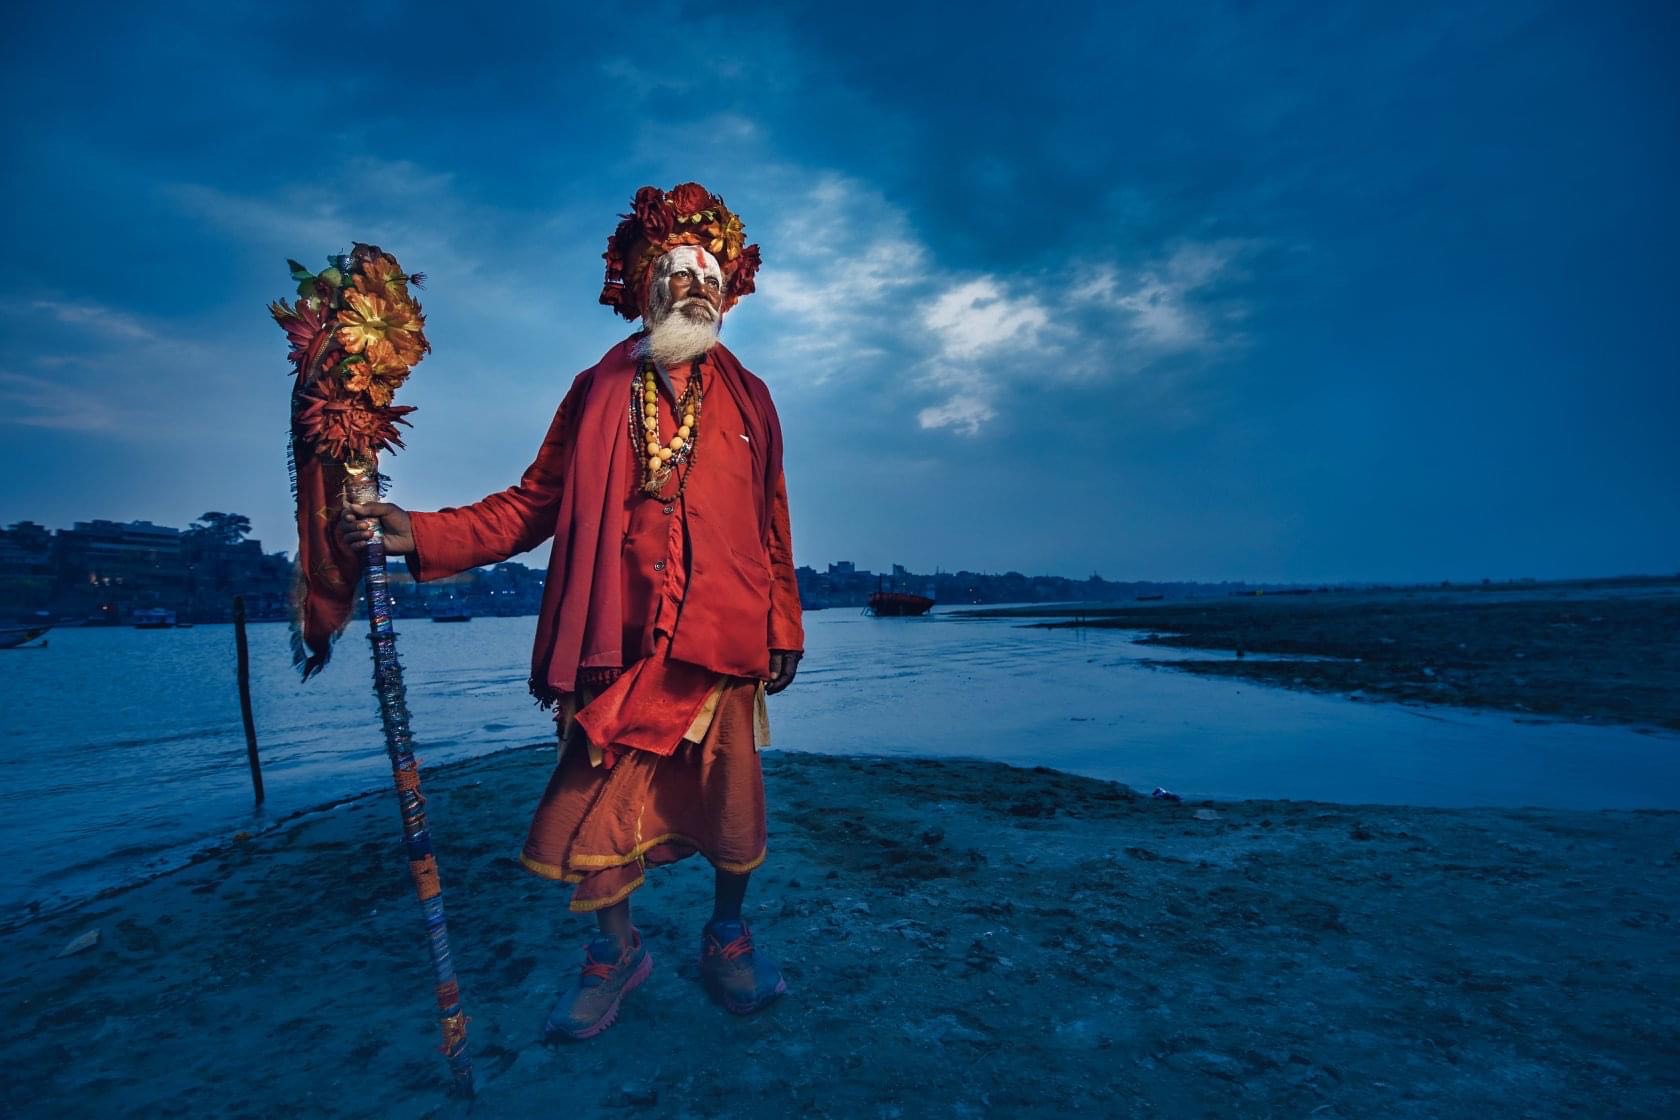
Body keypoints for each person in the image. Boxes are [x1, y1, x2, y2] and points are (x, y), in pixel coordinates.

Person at [337, 182, 804, 1039]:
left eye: (712, 275)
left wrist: (786, 624)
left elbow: (773, 521)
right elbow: (529, 505)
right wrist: (417, 532)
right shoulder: (595, 388)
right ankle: (614, 954)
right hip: (610, 641)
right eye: (677, 271)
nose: (697, 285)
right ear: (643, 285)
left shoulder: (753, 397)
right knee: (594, 799)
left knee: (733, 801)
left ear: (730, 293)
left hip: (723, 635)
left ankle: (728, 939)